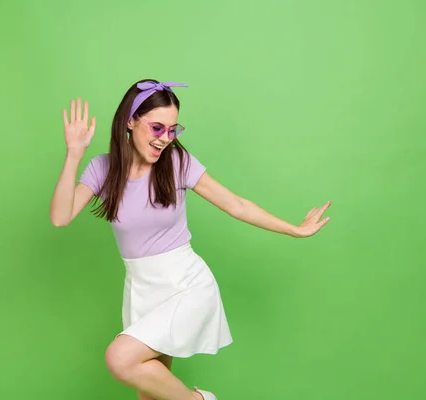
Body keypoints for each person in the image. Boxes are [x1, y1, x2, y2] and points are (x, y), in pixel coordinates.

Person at [49, 79, 331, 400]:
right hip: (141, 290)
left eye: (172, 130)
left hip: (185, 284)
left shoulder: (177, 163)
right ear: (130, 121)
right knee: (150, 395)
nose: (165, 139)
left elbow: (236, 205)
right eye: (157, 128)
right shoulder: (104, 168)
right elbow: (61, 216)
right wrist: (73, 155)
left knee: (120, 358)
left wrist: (294, 229)